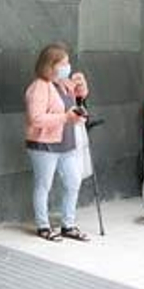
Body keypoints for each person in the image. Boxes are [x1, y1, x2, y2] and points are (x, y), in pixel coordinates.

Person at [23, 43, 92, 241]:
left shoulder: (64, 84)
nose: (67, 67)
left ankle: (68, 225)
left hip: (67, 142)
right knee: (43, 185)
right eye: (63, 63)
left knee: (73, 182)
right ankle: (43, 226)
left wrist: (82, 90)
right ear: (50, 65)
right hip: (45, 144)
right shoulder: (39, 87)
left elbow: (77, 101)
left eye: (68, 63)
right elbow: (36, 119)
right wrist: (65, 118)